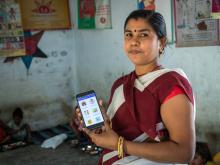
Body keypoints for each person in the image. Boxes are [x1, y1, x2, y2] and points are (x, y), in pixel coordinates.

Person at [74, 9, 196, 165]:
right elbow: (120, 132)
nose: (134, 41)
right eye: (128, 34)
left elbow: (184, 153)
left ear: (162, 42)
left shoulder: (170, 85)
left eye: (143, 35)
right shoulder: (121, 84)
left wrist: (120, 144)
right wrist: (102, 127)